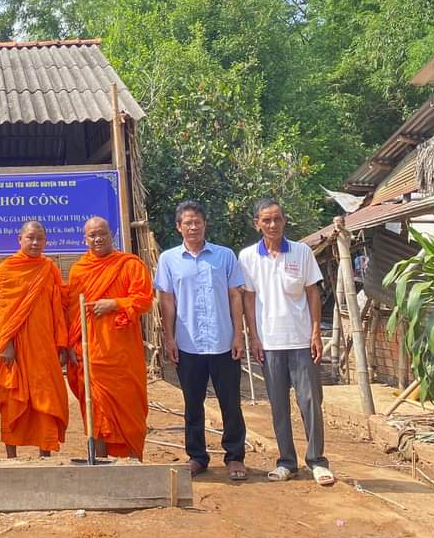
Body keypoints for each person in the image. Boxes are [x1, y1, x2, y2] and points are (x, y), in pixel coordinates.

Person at [239, 198, 335, 486]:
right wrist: (253, 336)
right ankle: (286, 462)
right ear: (257, 224)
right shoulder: (247, 257)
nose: (273, 225)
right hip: (269, 343)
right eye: (266, 220)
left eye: (277, 219)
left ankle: (317, 461)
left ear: (285, 220)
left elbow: (313, 293)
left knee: (310, 402)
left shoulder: (301, 252)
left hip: (301, 340)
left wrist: (315, 332)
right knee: (278, 405)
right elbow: (249, 299)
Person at [154, 200, 247, 481]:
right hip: (188, 343)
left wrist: (238, 335)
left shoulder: (224, 256)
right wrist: (169, 338)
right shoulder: (169, 259)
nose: (193, 227)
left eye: (197, 222)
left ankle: (235, 457)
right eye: (187, 222)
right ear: (178, 227)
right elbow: (167, 301)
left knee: (230, 403)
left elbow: (235, 296)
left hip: (223, 342)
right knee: (192, 404)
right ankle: (197, 457)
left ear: (205, 224)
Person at [66, 216, 154, 460]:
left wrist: (114, 304)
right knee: (96, 410)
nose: (98, 239)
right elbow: (73, 312)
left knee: (130, 409)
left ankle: (134, 463)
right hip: (92, 355)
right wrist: (71, 343)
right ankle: (100, 462)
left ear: (111, 234)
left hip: (123, 354)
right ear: (85, 239)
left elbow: (144, 300)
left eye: (102, 233)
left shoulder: (130, 265)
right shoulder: (79, 271)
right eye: (92, 235)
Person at [0, 220, 70, 458]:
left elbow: (58, 308)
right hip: (14, 347)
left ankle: (44, 454)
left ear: (46, 242)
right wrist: (6, 344)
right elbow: (1, 311)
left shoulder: (49, 268)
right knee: (12, 397)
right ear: (20, 239)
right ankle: (11, 457)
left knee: (46, 396)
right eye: (30, 238)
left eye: (39, 239)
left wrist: (61, 343)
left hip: (43, 346)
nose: (35, 243)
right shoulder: (6, 269)